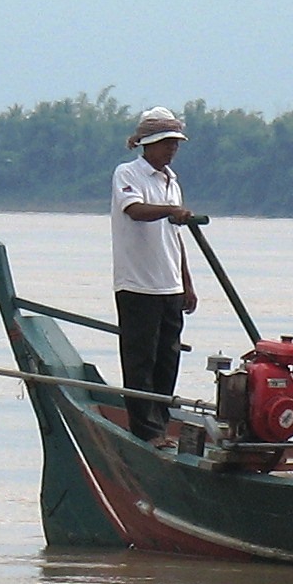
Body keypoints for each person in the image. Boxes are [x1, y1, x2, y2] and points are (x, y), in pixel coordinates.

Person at [111, 106, 198, 442]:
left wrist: (187, 282)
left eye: (175, 143)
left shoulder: (171, 182)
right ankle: (145, 431)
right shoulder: (128, 174)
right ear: (147, 144)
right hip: (138, 284)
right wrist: (170, 211)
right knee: (140, 361)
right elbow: (135, 211)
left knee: (167, 360)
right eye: (165, 143)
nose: (171, 149)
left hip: (169, 285)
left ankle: (160, 425)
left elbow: (175, 238)